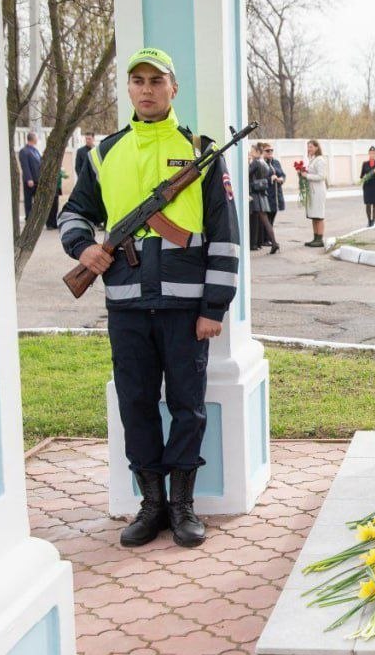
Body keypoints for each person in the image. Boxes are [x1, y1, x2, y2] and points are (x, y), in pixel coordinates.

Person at [57, 46, 240, 549]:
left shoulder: (201, 151)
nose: (146, 89)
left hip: (185, 311)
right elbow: (72, 214)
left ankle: (183, 504)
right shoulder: (102, 153)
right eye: (137, 81)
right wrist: (86, 249)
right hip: (127, 306)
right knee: (136, 404)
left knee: (187, 406)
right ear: (129, 88)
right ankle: (152, 504)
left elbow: (225, 236)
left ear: (172, 88)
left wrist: (213, 307)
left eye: (156, 81)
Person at [248, 142, 278, 253]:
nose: (250, 153)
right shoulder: (264, 163)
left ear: (257, 152)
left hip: (255, 195)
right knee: (265, 221)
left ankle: (273, 243)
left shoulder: (255, 163)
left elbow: (246, 173)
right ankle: (273, 243)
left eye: (252, 151)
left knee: (263, 221)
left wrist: (248, 162)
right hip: (263, 195)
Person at [299, 139, 327, 247]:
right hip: (312, 191)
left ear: (316, 147)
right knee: (313, 215)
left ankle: (320, 239)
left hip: (318, 191)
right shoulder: (313, 159)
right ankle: (315, 238)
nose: (309, 149)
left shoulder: (320, 160)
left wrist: (307, 176)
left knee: (319, 215)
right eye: (308, 147)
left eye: (311, 147)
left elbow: (321, 176)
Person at [360, 145, 375, 226]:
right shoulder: (365, 164)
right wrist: (365, 177)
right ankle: (369, 220)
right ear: (369, 153)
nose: (372, 154)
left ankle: (373, 220)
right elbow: (361, 176)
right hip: (367, 186)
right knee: (368, 204)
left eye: (373, 153)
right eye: (371, 153)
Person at [262, 144, 286, 231]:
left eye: (271, 150)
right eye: (267, 151)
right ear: (262, 152)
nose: (270, 152)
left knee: (272, 217)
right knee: (266, 218)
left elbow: (282, 174)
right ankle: (266, 238)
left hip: (276, 194)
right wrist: (269, 179)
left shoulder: (276, 162)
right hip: (267, 194)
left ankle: (268, 238)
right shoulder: (262, 163)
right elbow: (259, 177)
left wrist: (281, 179)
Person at [19, 131, 41, 219]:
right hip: (30, 180)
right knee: (28, 199)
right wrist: (29, 179)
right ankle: (28, 216)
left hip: (37, 179)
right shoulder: (24, 151)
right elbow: (25, 166)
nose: (37, 139)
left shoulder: (35, 150)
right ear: (32, 138)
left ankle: (35, 216)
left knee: (37, 199)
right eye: (36, 137)